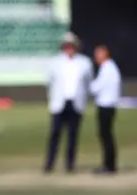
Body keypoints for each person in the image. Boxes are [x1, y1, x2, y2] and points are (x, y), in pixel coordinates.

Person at [44, 31, 94, 173]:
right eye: (67, 46)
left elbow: (88, 82)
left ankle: (70, 163)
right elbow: (49, 82)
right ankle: (50, 163)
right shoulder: (55, 62)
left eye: (71, 46)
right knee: (55, 134)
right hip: (59, 103)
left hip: (76, 103)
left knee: (73, 135)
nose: (69, 48)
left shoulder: (84, 62)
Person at [90, 44, 121, 174]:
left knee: (106, 135)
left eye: (98, 54)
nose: (96, 57)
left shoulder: (107, 68)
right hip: (108, 104)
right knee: (106, 135)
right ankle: (109, 164)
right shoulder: (109, 68)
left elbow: (97, 87)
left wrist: (87, 86)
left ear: (105, 54)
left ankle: (109, 165)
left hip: (106, 105)